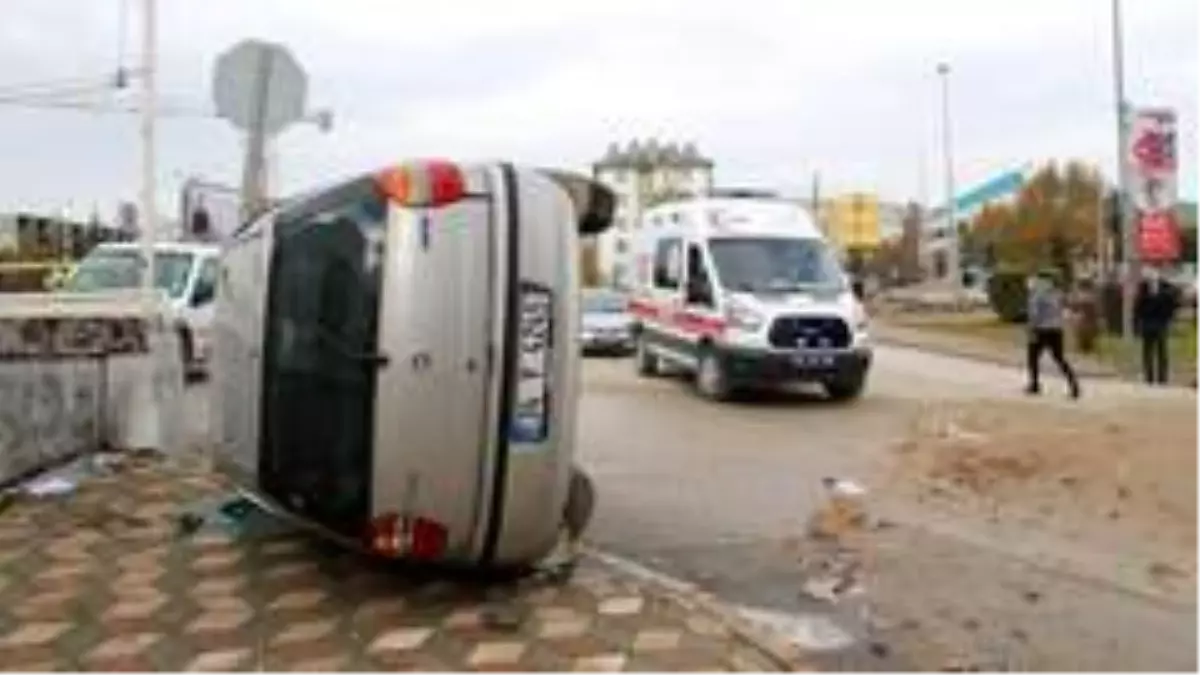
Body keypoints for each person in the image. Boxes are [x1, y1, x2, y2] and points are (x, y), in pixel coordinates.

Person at [1025, 270, 1081, 399]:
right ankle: (1073, 385)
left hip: (1041, 329)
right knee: (1059, 358)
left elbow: (1034, 314)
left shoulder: (1037, 294)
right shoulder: (1057, 294)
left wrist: (1031, 328)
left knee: (1032, 357)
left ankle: (1034, 384)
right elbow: (1064, 309)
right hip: (1057, 329)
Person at [1134, 266, 1180, 385]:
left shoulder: (1166, 288)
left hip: (1161, 322)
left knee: (1162, 351)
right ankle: (1148, 376)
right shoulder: (1143, 288)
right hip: (1147, 322)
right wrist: (1137, 323)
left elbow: (1173, 303)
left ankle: (1162, 377)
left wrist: (1170, 317)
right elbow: (1138, 306)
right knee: (1147, 351)